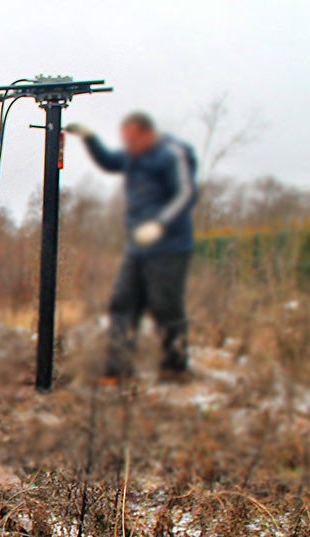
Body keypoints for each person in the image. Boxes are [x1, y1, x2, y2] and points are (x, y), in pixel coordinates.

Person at [65, 112, 197, 383]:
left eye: (132, 140)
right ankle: (118, 369)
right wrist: (90, 139)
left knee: (165, 306)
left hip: (170, 245)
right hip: (138, 246)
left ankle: (175, 366)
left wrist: (160, 224)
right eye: (125, 141)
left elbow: (186, 193)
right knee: (122, 304)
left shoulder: (170, 153)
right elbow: (110, 161)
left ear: (148, 134)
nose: (128, 147)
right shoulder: (133, 156)